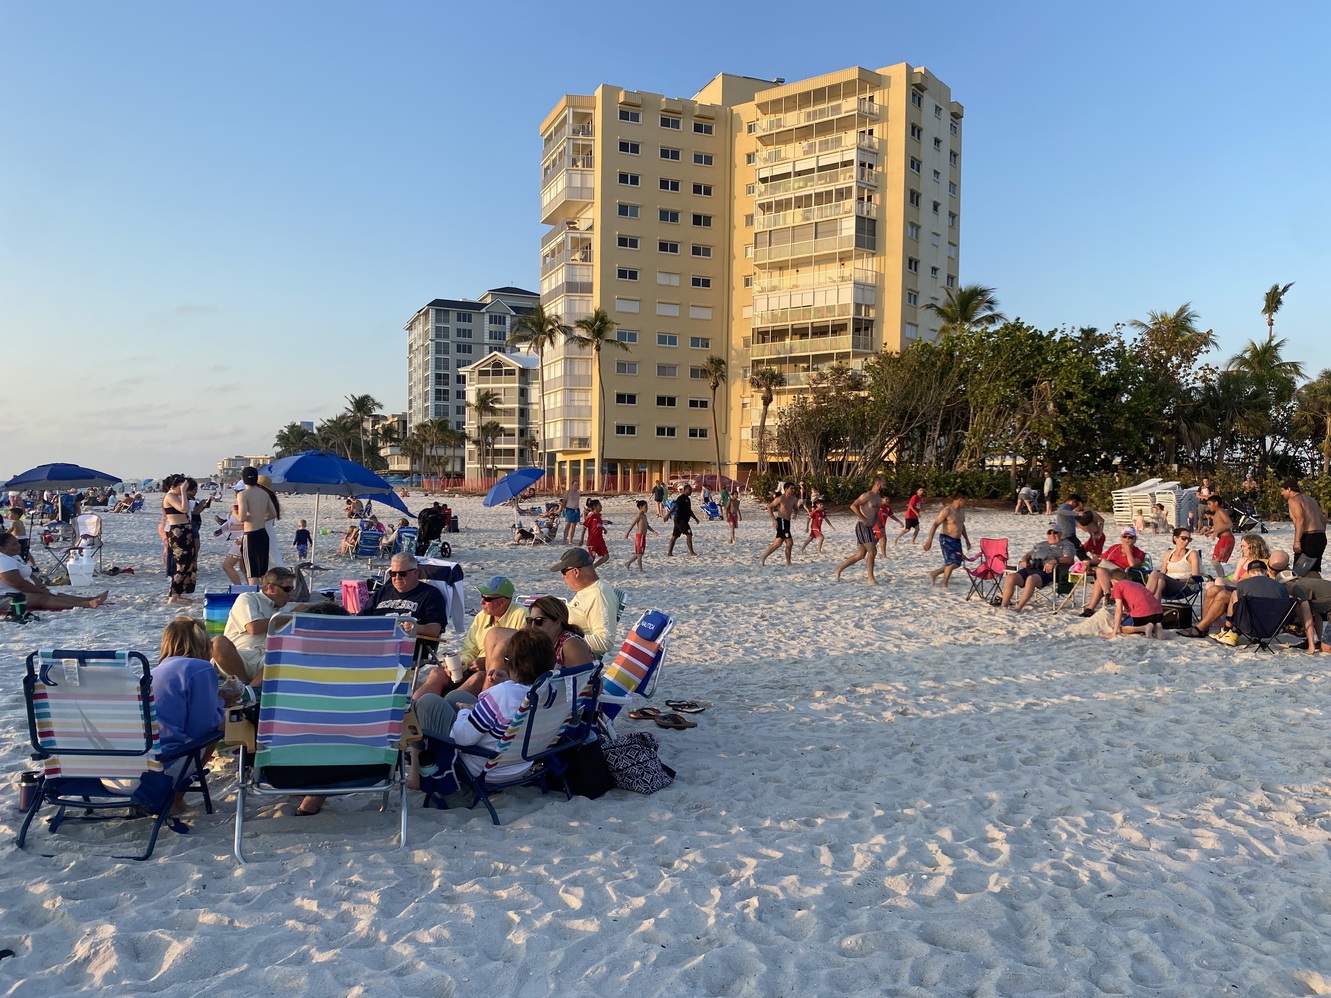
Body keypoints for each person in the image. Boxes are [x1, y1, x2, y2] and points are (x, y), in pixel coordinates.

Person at [412, 628, 553, 788]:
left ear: (514, 665)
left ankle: (419, 778)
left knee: (427, 702)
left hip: (484, 768)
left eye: (507, 660)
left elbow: (462, 739)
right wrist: (511, 682)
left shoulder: (504, 694)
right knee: (453, 697)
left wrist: (466, 711)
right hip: (520, 765)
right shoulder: (551, 690)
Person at [153, 617, 241, 813]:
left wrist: (216, 698)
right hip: (158, 771)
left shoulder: (154, 672)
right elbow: (203, 727)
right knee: (220, 725)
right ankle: (174, 800)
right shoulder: (200, 668)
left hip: (122, 772)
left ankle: (173, 800)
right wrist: (221, 707)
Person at [417, 575, 527, 700]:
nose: (481, 602)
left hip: (499, 673)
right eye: (482, 597)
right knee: (438, 672)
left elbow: (520, 655)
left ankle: (446, 708)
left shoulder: (521, 615)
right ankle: (411, 709)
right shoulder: (481, 616)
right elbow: (469, 649)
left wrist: (487, 662)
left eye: (487, 599)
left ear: (503, 602)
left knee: (479, 677)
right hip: (475, 666)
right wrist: (462, 662)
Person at [1208, 559, 1322, 653]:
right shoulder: (1280, 586)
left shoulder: (1242, 584)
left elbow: (1239, 608)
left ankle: (1227, 630)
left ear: (1249, 573)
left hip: (1249, 628)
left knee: (1234, 594)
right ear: (1266, 572)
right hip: (1274, 630)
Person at [212, 567, 298, 685]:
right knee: (218, 642)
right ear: (271, 587)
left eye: (292, 589)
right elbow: (253, 628)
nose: (290, 594)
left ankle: (250, 690)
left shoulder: (284, 611)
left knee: (287, 654)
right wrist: (291, 615)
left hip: (267, 660)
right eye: (287, 589)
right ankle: (246, 686)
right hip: (239, 657)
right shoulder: (248, 598)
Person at [0, 531, 108, 609]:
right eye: (14, 544)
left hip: (19, 590)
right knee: (43, 598)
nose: (19, 546)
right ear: (2, 548)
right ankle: (85, 604)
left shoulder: (14, 556)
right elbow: (19, 584)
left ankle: (88, 599)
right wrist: (41, 591)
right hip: (6, 595)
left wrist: (42, 586)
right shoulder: (3, 560)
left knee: (54, 593)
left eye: (17, 542)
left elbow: (29, 574)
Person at [358, 553, 448, 644]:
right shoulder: (384, 591)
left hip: (404, 649)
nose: (397, 578)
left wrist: (416, 628)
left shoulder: (430, 594)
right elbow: (360, 619)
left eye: (402, 573)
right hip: (373, 645)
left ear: (416, 573)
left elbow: (435, 630)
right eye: (393, 573)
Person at [551, 547, 619, 655]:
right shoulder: (587, 590)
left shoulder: (599, 595)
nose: (562, 576)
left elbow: (605, 642)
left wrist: (562, 638)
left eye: (564, 571)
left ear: (576, 571)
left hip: (573, 658)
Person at [996, 526, 1076, 611]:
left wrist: (1054, 561)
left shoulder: (1067, 545)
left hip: (1048, 570)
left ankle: (1018, 607)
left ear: (1060, 534)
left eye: (1055, 532)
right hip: (1032, 567)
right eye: (1050, 532)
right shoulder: (1041, 544)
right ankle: (1003, 606)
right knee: (1010, 577)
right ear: (1047, 534)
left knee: (1031, 579)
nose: (1052, 535)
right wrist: (1024, 560)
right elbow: (1027, 555)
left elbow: (1068, 559)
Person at [1081, 526, 1146, 615]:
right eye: (1125, 536)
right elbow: (1101, 559)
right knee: (1099, 579)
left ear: (1135, 539)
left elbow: (1132, 564)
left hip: (1124, 574)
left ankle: (1105, 598)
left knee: (1100, 573)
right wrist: (1089, 562)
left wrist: (1128, 550)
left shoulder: (1139, 552)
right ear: (1121, 538)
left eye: (1130, 537)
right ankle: (1092, 608)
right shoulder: (1114, 548)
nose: (1127, 539)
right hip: (1108, 574)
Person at [836, 475, 886, 584]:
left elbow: (875, 515)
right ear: (878, 485)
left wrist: (881, 527)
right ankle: (870, 578)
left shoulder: (878, 499)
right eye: (883, 484)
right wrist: (863, 518)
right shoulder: (867, 496)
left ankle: (839, 569)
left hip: (870, 527)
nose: (885, 486)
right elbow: (853, 506)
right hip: (862, 526)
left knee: (860, 555)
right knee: (872, 551)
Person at [237, 467, 280, 584]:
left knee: (252, 573)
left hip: (250, 535)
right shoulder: (264, 493)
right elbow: (273, 513)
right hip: (263, 534)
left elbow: (242, 517)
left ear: (243, 479)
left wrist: (234, 513)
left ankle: (254, 599)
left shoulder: (243, 494)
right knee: (262, 572)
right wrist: (260, 518)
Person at [923, 492, 971, 588]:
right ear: (960, 499)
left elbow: (962, 525)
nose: (966, 503)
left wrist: (967, 539)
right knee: (951, 562)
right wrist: (929, 540)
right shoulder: (947, 510)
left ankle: (934, 573)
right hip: (946, 538)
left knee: (957, 563)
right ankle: (944, 584)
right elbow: (935, 524)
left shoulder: (962, 511)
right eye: (965, 500)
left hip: (957, 540)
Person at [162, 475, 197, 605]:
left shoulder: (178, 496)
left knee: (189, 562)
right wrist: (183, 492)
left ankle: (179, 593)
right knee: (181, 564)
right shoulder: (170, 496)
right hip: (178, 532)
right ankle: (172, 595)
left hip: (186, 530)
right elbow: (184, 509)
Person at [1100, 572, 1167, 639]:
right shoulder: (1136, 584)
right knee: (1149, 621)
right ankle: (1157, 626)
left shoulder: (1117, 585)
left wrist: (1113, 632)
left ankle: (1144, 628)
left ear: (1113, 581)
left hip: (1144, 615)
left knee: (1121, 628)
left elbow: (1119, 609)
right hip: (1159, 613)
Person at [1282, 478, 1327, 574]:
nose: (1282, 493)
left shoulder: (1293, 500)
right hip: (1320, 536)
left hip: (1308, 537)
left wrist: (1297, 541)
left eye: (1283, 490)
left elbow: (1300, 520)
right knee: (1313, 570)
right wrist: (1319, 534)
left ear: (1289, 489)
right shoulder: (1311, 500)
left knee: (1300, 571)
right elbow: (1323, 520)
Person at [1146, 527, 1203, 601]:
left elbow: (1195, 578)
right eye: (1184, 538)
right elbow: (1163, 573)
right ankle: (1156, 610)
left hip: (1184, 586)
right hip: (1167, 585)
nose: (1186, 541)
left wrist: (1178, 580)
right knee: (1160, 582)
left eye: (1189, 539)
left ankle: (1143, 601)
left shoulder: (1192, 554)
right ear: (1175, 538)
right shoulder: (1168, 553)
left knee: (1155, 573)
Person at [761, 482, 800, 567]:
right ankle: (788, 563)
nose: (793, 490)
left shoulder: (794, 499)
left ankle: (763, 556)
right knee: (789, 543)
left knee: (777, 544)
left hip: (787, 522)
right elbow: (769, 507)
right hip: (781, 521)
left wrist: (795, 514)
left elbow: (796, 509)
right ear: (786, 489)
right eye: (791, 488)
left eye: (793, 488)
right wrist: (773, 519)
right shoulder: (780, 498)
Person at [1202, 495, 1235, 578]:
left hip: (1227, 539)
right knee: (1215, 560)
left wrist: (1216, 532)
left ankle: (1222, 578)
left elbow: (1229, 524)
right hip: (1223, 538)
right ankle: (1221, 577)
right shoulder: (1216, 513)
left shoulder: (1221, 511)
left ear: (1216, 503)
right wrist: (1211, 532)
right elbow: (1220, 526)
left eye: (1209, 504)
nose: (1208, 506)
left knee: (1215, 561)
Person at [623, 499, 657, 572]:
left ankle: (628, 563)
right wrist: (627, 533)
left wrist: (653, 531)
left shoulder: (644, 516)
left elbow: (647, 526)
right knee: (639, 555)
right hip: (639, 537)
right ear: (641, 507)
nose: (647, 508)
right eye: (646, 507)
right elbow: (632, 524)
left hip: (643, 537)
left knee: (639, 553)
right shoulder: (639, 516)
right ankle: (641, 570)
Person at [667, 484, 699, 557]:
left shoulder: (688, 499)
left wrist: (695, 518)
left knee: (674, 536)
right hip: (680, 520)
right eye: (689, 490)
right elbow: (675, 506)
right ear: (685, 490)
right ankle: (692, 552)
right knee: (689, 534)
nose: (691, 491)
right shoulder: (681, 498)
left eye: (691, 490)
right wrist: (668, 514)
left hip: (681, 520)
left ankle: (669, 552)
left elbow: (689, 510)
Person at [580, 498, 610, 567]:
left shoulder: (599, 515)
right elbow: (584, 527)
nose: (601, 506)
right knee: (591, 559)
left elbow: (598, 525)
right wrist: (581, 539)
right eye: (599, 505)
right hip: (592, 541)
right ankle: (584, 570)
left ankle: (594, 567)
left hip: (600, 541)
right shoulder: (591, 516)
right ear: (595, 507)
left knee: (606, 556)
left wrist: (604, 529)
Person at [559, 480, 582, 544]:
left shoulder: (578, 493)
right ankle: (564, 540)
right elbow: (564, 501)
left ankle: (570, 541)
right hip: (569, 509)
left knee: (573, 526)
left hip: (576, 510)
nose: (576, 486)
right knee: (567, 525)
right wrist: (562, 509)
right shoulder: (568, 492)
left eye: (577, 485)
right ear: (572, 485)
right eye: (575, 485)